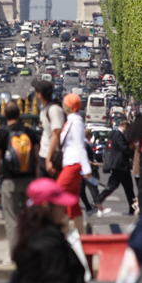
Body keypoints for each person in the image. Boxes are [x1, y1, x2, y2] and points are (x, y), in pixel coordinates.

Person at [0, 102, 40, 257]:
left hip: (10, 181)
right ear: (19, 115)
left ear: (5, 115)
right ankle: (31, 250)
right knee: (30, 219)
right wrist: (37, 179)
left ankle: (15, 254)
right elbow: (38, 159)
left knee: (12, 220)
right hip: (30, 180)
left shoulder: (2, 134)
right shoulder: (30, 133)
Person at [57, 93, 92, 232]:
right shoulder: (71, 120)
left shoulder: (76, 122)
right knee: (72, 201)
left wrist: (87, 169)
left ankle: (63, 232)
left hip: (74, 164)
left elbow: (80, 145)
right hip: (71, 163)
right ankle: (81, 236)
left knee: (58, 194)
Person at [93, 121, 135, 215]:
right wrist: (132, 153)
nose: (128, 131)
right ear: (125, 126)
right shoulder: (118, 135)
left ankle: (132, 207)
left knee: (129, 188)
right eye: (128, 129)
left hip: (123, 166)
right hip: (119, 166)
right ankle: (98, 200)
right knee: (112, 186)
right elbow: (124, 148)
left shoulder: (117, 134)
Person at [32, 79, 65, 178]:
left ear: (40, 94)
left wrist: (49, 159)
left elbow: (56, 135)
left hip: (51, 157)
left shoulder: (54, 110)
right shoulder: (44, 108)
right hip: (44, 154)